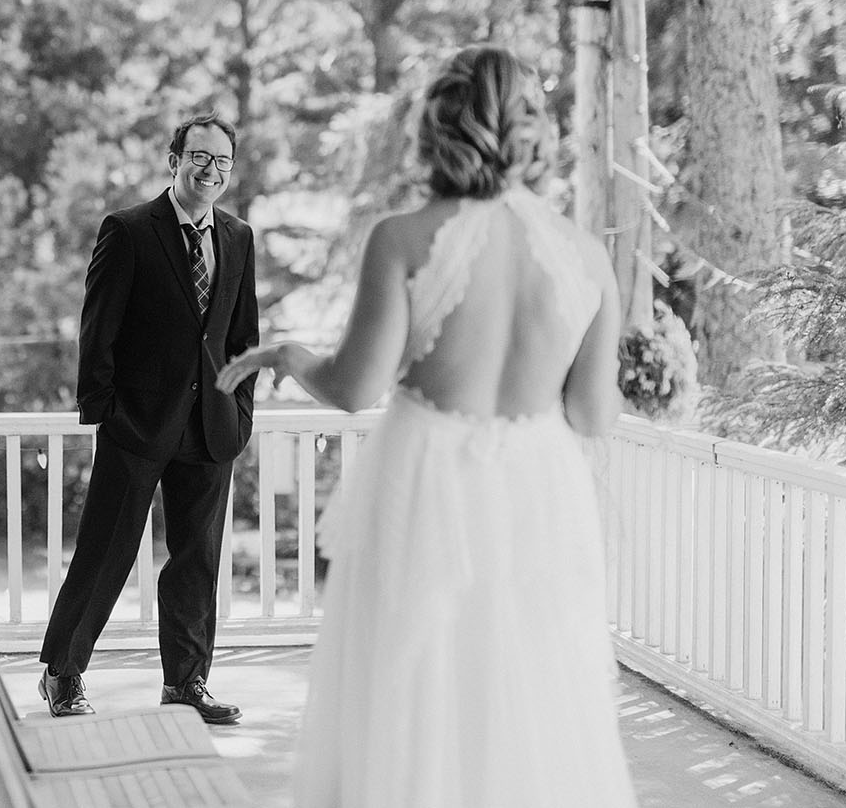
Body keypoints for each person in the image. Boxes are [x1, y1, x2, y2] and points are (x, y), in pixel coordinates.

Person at [216, 46, 638, 806]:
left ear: (440, 125)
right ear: (532, 131)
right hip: (538, 489)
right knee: (530, 687)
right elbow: (592, 413)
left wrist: (288, 352)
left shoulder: (403, 239)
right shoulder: (584, 256)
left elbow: (353, 388)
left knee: (414, 686)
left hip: (428, 481)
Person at [37, 111, 260, 725]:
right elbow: (98, 326)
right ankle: (63, 674)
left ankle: (187, 683)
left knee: (197, 559)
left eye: (222, 161)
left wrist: (239, 413)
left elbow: (243, 337)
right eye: (200, 157)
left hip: (210, 426)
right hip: (137, 424)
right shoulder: (130, 230)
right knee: (105, 552)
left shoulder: (239, 237)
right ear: (174, 160)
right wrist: (102, 412)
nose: (211, 170)